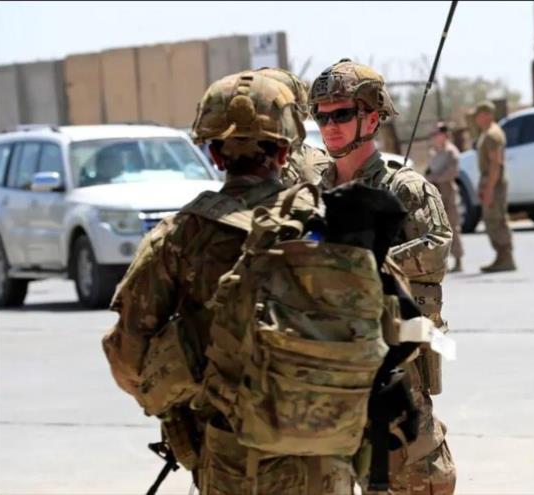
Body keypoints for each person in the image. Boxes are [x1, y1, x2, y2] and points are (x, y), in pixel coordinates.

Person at [101, 70, 340, 493]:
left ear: (215, 154)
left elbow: (127, 357)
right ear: (284, 152)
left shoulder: (180, 236)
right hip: (329, 454)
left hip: (232, 459)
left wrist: (181, 396)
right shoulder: (330, 223)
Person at [309, 58, 456, 495]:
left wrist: (366, 261)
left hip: (391, 360)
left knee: (420, 478)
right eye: (321, 115)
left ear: (371, 117)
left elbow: (436, 249)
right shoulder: (313, 188)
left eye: (341, 114)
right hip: (324, 361)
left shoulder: (404, 188)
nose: (329, 125)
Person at [473, 101, 515, 272]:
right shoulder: (489, 133)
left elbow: (495, 164)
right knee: (493, 219)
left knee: (496, 220)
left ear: (487, 115)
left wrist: (489, 189)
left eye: (478, 114)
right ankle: (501, 257)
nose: (476, 118)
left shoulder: (492, 135)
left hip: (494, 183)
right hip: (491, 181)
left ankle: (505, 258)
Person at [427, 121, 464, 272]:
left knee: (452, 226)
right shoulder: (434, 152)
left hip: (448, 191)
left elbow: (453, 171)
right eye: (433, 134)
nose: (434, 137)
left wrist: (436, 177)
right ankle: (442, 261)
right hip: (435, 192)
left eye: (437, 133)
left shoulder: (451, 152)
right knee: (437, 228)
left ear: (444, 135)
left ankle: (458, 259)